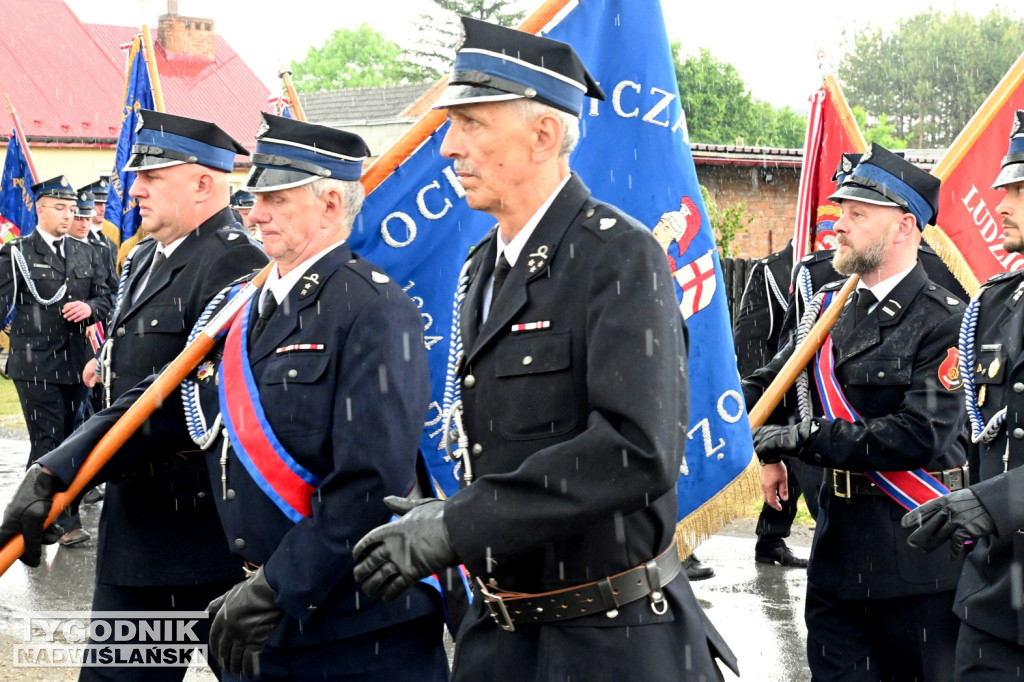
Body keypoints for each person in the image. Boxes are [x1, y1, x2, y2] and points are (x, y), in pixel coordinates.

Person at [353, 18, 737, 682]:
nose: (448, 148)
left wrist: (458, 525)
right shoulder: (481, 267)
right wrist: (449, 514)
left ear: (544, 135)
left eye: (471, 124)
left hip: (604, 646)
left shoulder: (619, 256)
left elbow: (636, 449)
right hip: (502, 640)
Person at [0, 113, 447, 681]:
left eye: (277, 200)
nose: (255, 213)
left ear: (331, 205)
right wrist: (56, 473)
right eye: (256, 196)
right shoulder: (245, 304)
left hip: (344, 616)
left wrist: (277, 586)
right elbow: (161, 400)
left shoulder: (372, 308)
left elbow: (369, 484)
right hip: (262, 592)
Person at [1, 111, 268, 682]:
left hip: (201, 532)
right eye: (135, 173)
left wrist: (62, 470)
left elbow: (181, 405)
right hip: (137, 523)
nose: (134, 187)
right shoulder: (146, 255)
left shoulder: (236, 262)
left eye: (153, 174)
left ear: (204, 183)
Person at [744, 143, 969, 681]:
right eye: (840, 211)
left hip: (917, 557)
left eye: (856, 214)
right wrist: (703, 407)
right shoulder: (828, 307)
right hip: (837, 553)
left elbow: (920, 435)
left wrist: (801, 438)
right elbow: (767, 386)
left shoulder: (943, 319)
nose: (837, 226)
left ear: (904, 226)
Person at [902, 109, 1024, 680]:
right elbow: (981, 432)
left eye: (1020, 190)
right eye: (1002, 188)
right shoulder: (994, 304)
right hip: (997, 592)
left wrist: (992, 503)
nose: (1000, 204)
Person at [0, 175, 113, 546]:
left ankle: (30, 514)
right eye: (60, 208)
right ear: (40, 208)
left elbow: (109, 298)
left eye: (71, 209)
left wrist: (91, 307)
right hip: (33, 363)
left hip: (76, 362)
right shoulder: (17, 252)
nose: (68, 216)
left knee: (72, 438)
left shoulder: (86, 252)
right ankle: (64, 520)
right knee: (49, 438)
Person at [733, 239, 813, 568]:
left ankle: (771, 538)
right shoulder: (772, 271)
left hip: (810, 388)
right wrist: (767, 401)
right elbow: (750, 341)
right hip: (778, 384)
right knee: (784, 462)